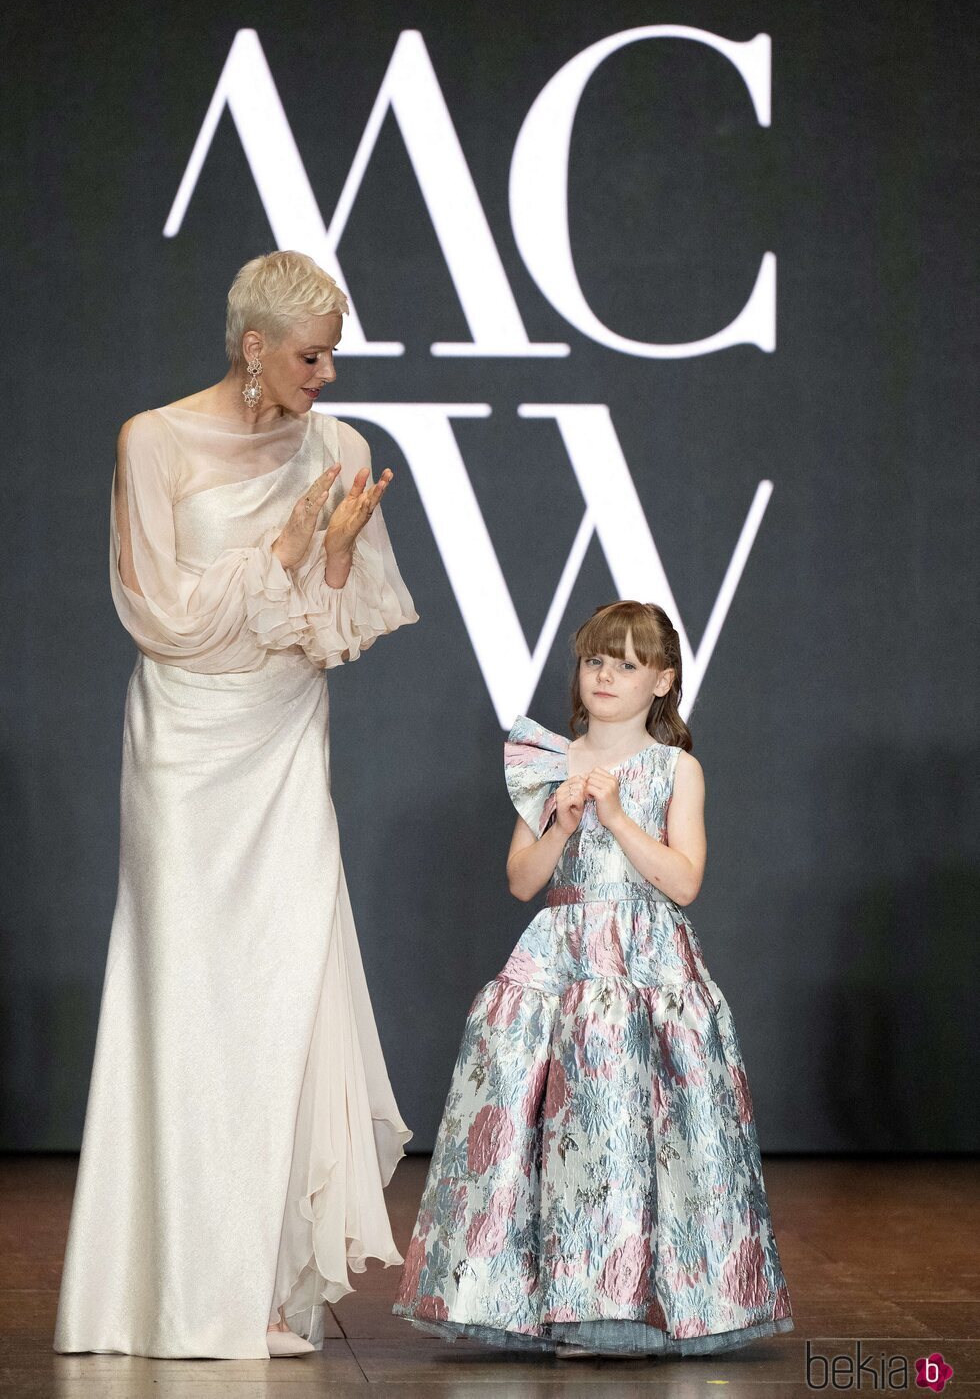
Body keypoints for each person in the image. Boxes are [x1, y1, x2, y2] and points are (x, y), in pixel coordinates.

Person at [53, 250, 418, 1360]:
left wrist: (335, 558)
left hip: (282, 737)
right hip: (188, 743)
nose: (329, 379)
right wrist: (287, 547)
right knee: (190, 998)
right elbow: (157, 612)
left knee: (281, 995)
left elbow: (332, 627)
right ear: (250, 346)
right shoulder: (152, 441)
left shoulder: (339, 448)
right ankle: (167, 1290)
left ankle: (265, 1286)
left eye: (334, 354)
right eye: (312, 357)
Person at [393, 600, 793, 1357]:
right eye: (596, 660)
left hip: (643, 961)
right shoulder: (546, 760)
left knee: (638, 1130)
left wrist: (617, 818)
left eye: (629, 664)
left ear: (663, 681)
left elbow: (683, 881)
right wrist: (563, 825)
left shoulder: (677, 769)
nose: (607, 675)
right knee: (549, 1129)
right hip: (561, 955)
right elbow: (521, 879)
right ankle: (545, 1304)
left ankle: (638, 1305)